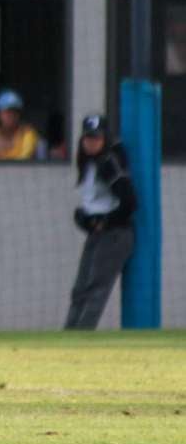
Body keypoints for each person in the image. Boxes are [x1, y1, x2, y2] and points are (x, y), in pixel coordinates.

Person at [64, 114, 137, 329]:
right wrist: (84, 218)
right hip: (98, 233)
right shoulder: (89, 164)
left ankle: (82, 334)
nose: (91, 142)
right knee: (80, 289)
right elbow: (93, 203)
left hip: (115, 234)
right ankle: (69, 333)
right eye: (87, 138)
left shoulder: (108, 164)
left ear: (105, 138)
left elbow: (130, 202)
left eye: (96, 138)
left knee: (95, 288)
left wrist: (105, 221)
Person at [0, 89, 41, 160]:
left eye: (14, 112)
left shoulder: (28, 133)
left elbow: (23, 162)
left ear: (19, 115)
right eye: (7, 112)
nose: (11, 115)